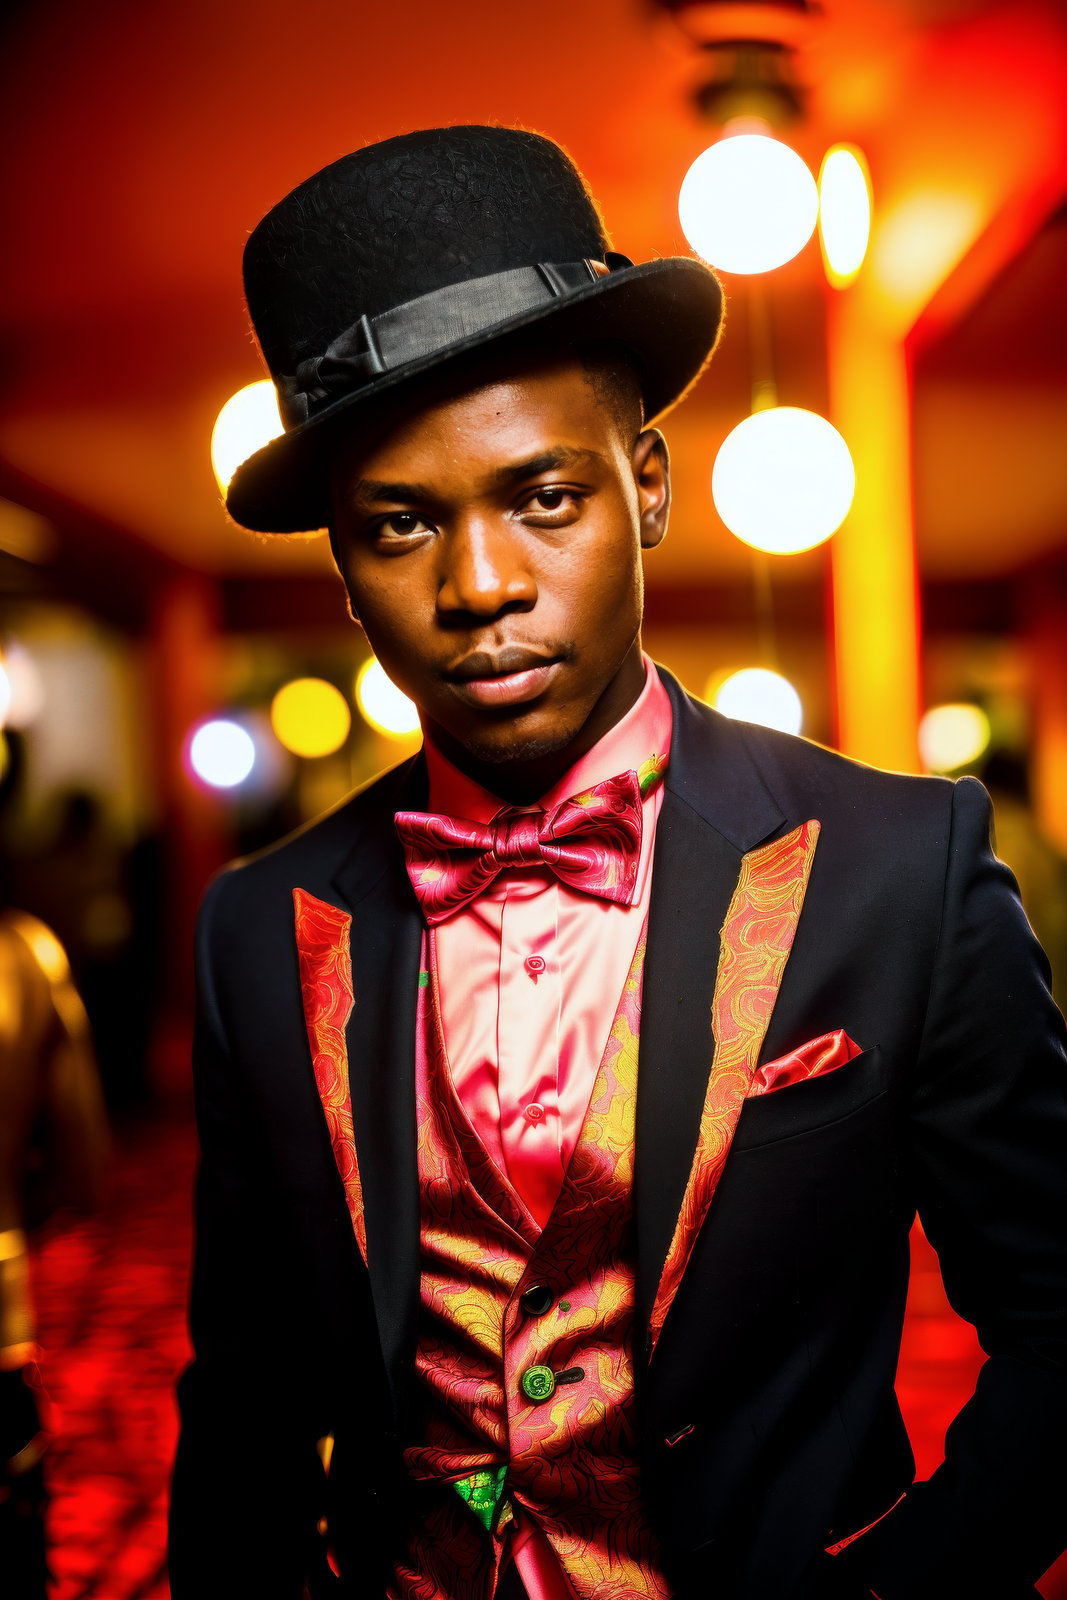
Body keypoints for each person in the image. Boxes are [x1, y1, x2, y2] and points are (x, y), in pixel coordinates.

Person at [168, 127, 1067, 1600]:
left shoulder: (902, 866)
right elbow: (248, 1409)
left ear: (644, 488)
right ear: (341, 562)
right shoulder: (257, 928)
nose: (479, 587)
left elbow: (1062, 1323)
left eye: (541, 497)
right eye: (401, 525)